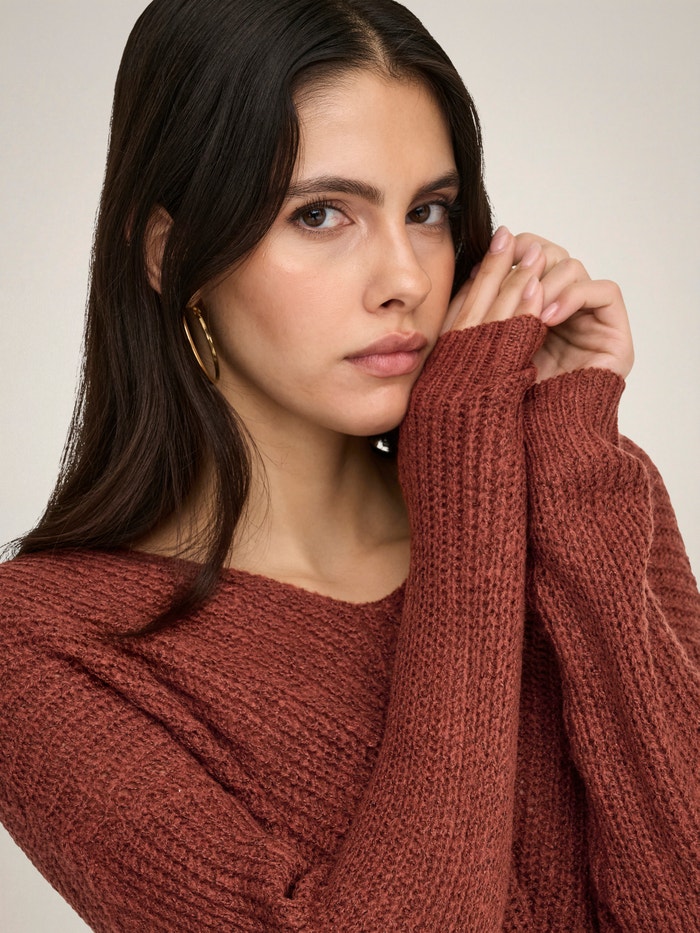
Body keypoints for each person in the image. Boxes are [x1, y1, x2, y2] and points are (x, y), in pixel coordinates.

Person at [1, 0, 698, 929]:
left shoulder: (582, 492)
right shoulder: (44, 646)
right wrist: (466, 492)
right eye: (321, 214)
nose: (405, 279)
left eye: (429, 211)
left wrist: (562, 452)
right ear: (171, 254)